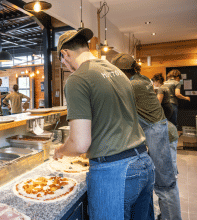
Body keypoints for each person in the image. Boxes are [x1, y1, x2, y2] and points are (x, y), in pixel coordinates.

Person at [53, 28, 155, 220]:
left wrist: (61, 150)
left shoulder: (77, 79)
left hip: (115, 172)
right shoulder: (117, 72)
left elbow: (80, 143)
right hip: (144, 162)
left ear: (65, 54)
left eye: (63, 61)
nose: (66, 66)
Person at [112, 53, 181, 220]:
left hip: (161, 134)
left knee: (165, 185)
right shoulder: (141, 79)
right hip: (161, 131)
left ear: (122, 72)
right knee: (161, 183)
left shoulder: (132, 85)